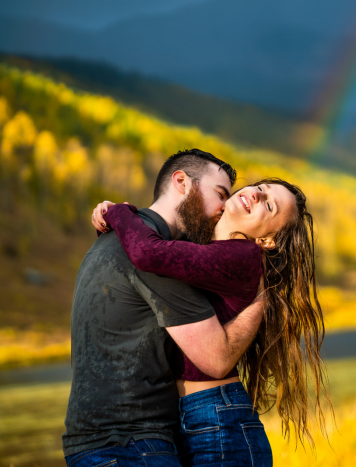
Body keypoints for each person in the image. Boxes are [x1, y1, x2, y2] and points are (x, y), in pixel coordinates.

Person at [91, 176, 331, 466]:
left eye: (269, 205)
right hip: (195, 418)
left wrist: (118, 212)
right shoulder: (208, 252)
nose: (255, 194)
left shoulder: (243, 256)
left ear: (268, 240)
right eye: (262, 188)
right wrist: (123, 220)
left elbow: (147, 253)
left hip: (217, 421)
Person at [63, 149, 266, 467]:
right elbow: (216, 359)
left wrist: (117, 211)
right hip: (131, 446)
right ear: (182, 182)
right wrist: (261, 299)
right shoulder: (158, 258)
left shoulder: (107, 241)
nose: (224, 207)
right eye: (219, 194)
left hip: (93, 444)